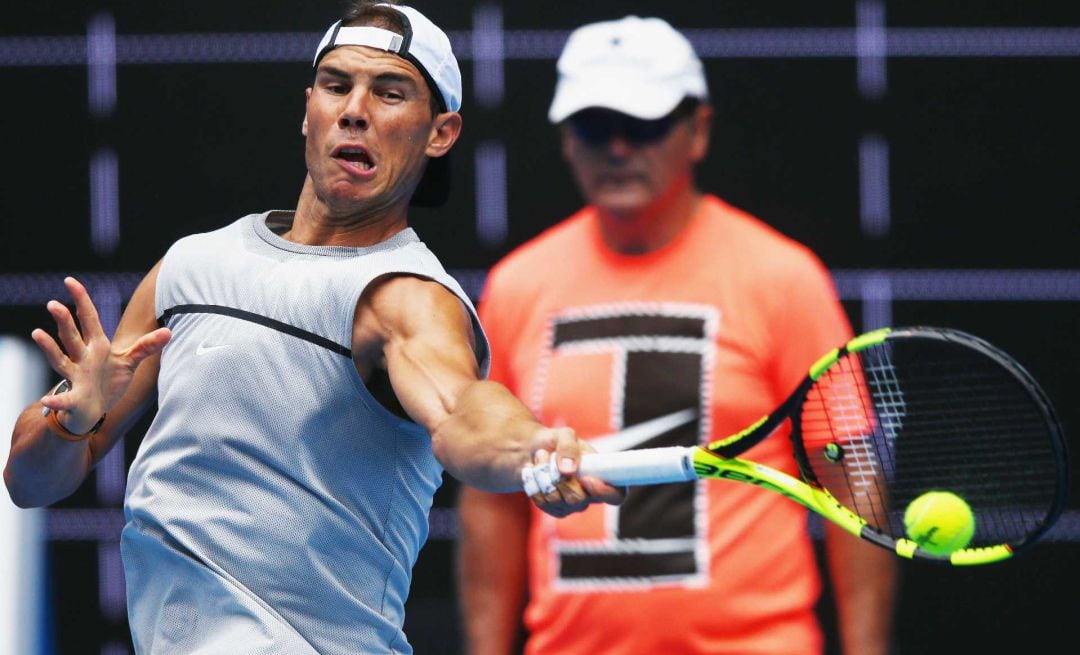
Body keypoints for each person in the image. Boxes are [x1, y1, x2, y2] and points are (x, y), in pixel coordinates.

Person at [2, 2, 622, 653]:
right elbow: (29, 482)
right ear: (308, 109)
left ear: (440, 132)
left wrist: (533, 450)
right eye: (336, 85)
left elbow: (465, 412)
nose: (355, 109)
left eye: (389, 93)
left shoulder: (404, 298)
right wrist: (69, 423)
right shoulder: (191, 266)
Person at [456, 15, 897, 655]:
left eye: (644, 124)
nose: (618, 147)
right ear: (565, 139)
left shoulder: (783, 278)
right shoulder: (517, 285)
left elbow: (853, 474)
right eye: (595, 125)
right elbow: (491, 501)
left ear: (699, 130)